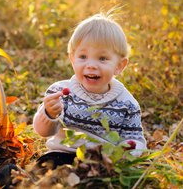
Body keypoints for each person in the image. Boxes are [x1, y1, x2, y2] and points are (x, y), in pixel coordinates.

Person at [33, 9, 147, 169]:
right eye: (83, 57)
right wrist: (49, 114)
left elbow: (135, 138)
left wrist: (128, 149)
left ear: (119, 66)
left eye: (102, 58)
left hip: (103, 161)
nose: (91, 65)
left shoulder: (127, 104)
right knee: (45, 168)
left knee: (102, 178)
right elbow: (43, 132)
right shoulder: (60, 92)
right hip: (63, 155)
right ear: (72, 59)